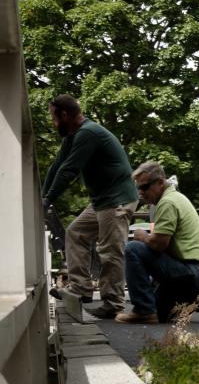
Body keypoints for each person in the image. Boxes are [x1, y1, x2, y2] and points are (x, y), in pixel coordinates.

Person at [42, 94, 139, 319]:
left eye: (54, 118)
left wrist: (49, 199)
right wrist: (43, 197)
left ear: (64, 115)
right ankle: (81, 287)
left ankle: (113, 303)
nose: (53, 123)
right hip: (101, 200)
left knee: (110, 249)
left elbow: (69, 170)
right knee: (75, 233)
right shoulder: (73, 136)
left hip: (118, 199)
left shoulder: (89, 133)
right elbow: (55, 168)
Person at [120, 161, 199, 323]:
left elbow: (159, 245)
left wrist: (142, 236)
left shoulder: (167, 202)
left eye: (144, 187)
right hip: (193, 272)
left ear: (160, 182)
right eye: (138, 188)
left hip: (190, 272)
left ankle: (143, 310)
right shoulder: (174, 197)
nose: (141, 193)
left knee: (132, 248)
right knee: (159, 314)